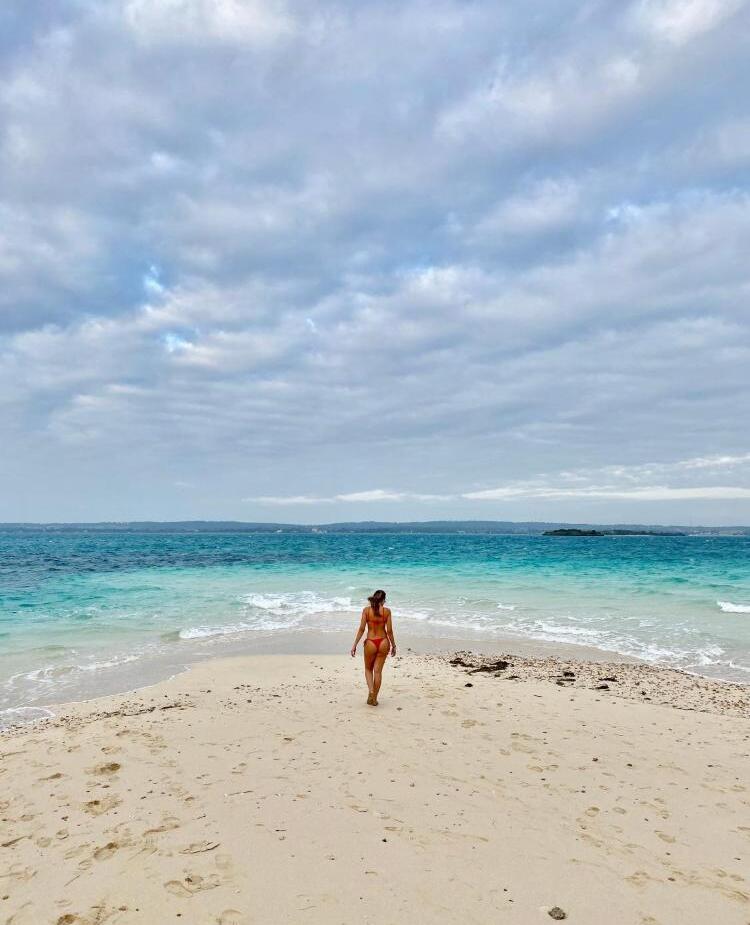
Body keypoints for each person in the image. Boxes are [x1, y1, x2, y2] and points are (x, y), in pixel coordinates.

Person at [350, 589, 396, 705]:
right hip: (383, 642)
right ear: (383, 600)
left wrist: (355, 644)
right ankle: (374, 699)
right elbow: (389, 631)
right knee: (378, 672)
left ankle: (371, 692)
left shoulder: (366, 611)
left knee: (368, 669)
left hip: (370, 642)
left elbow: (361, 629)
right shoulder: (387, 612)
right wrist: (394, 645)